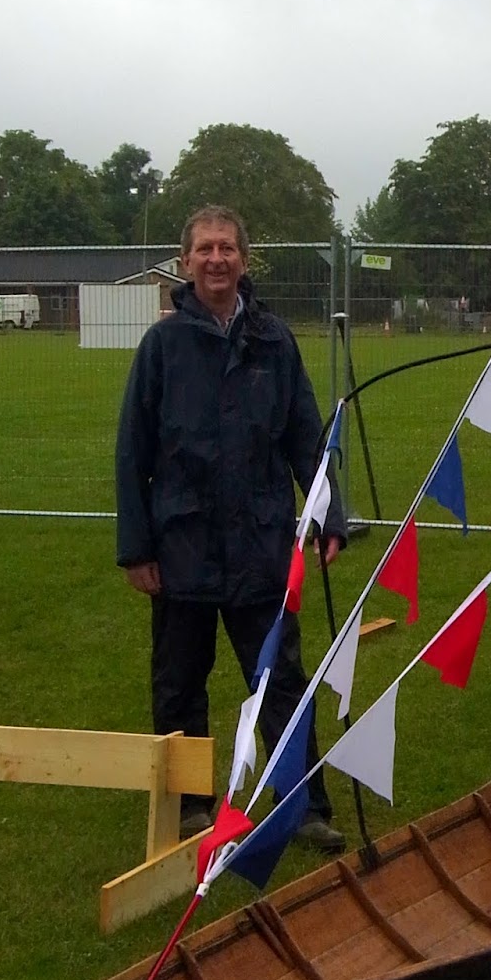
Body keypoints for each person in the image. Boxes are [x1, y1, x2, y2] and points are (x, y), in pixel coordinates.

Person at [115, 204, 346, 851]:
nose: (216, 259)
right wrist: (136, 548)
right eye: (204, 249)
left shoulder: (274, 340)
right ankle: (190, 807)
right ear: (185, 262)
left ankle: (302, 808)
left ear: (244, 259)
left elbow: (307, 435)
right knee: (180, 684)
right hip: (180, 548)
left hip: (260, 546)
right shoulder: (161, 348)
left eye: (227, 248)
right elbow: (132, 451)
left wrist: (329, 513)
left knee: (281, 683)